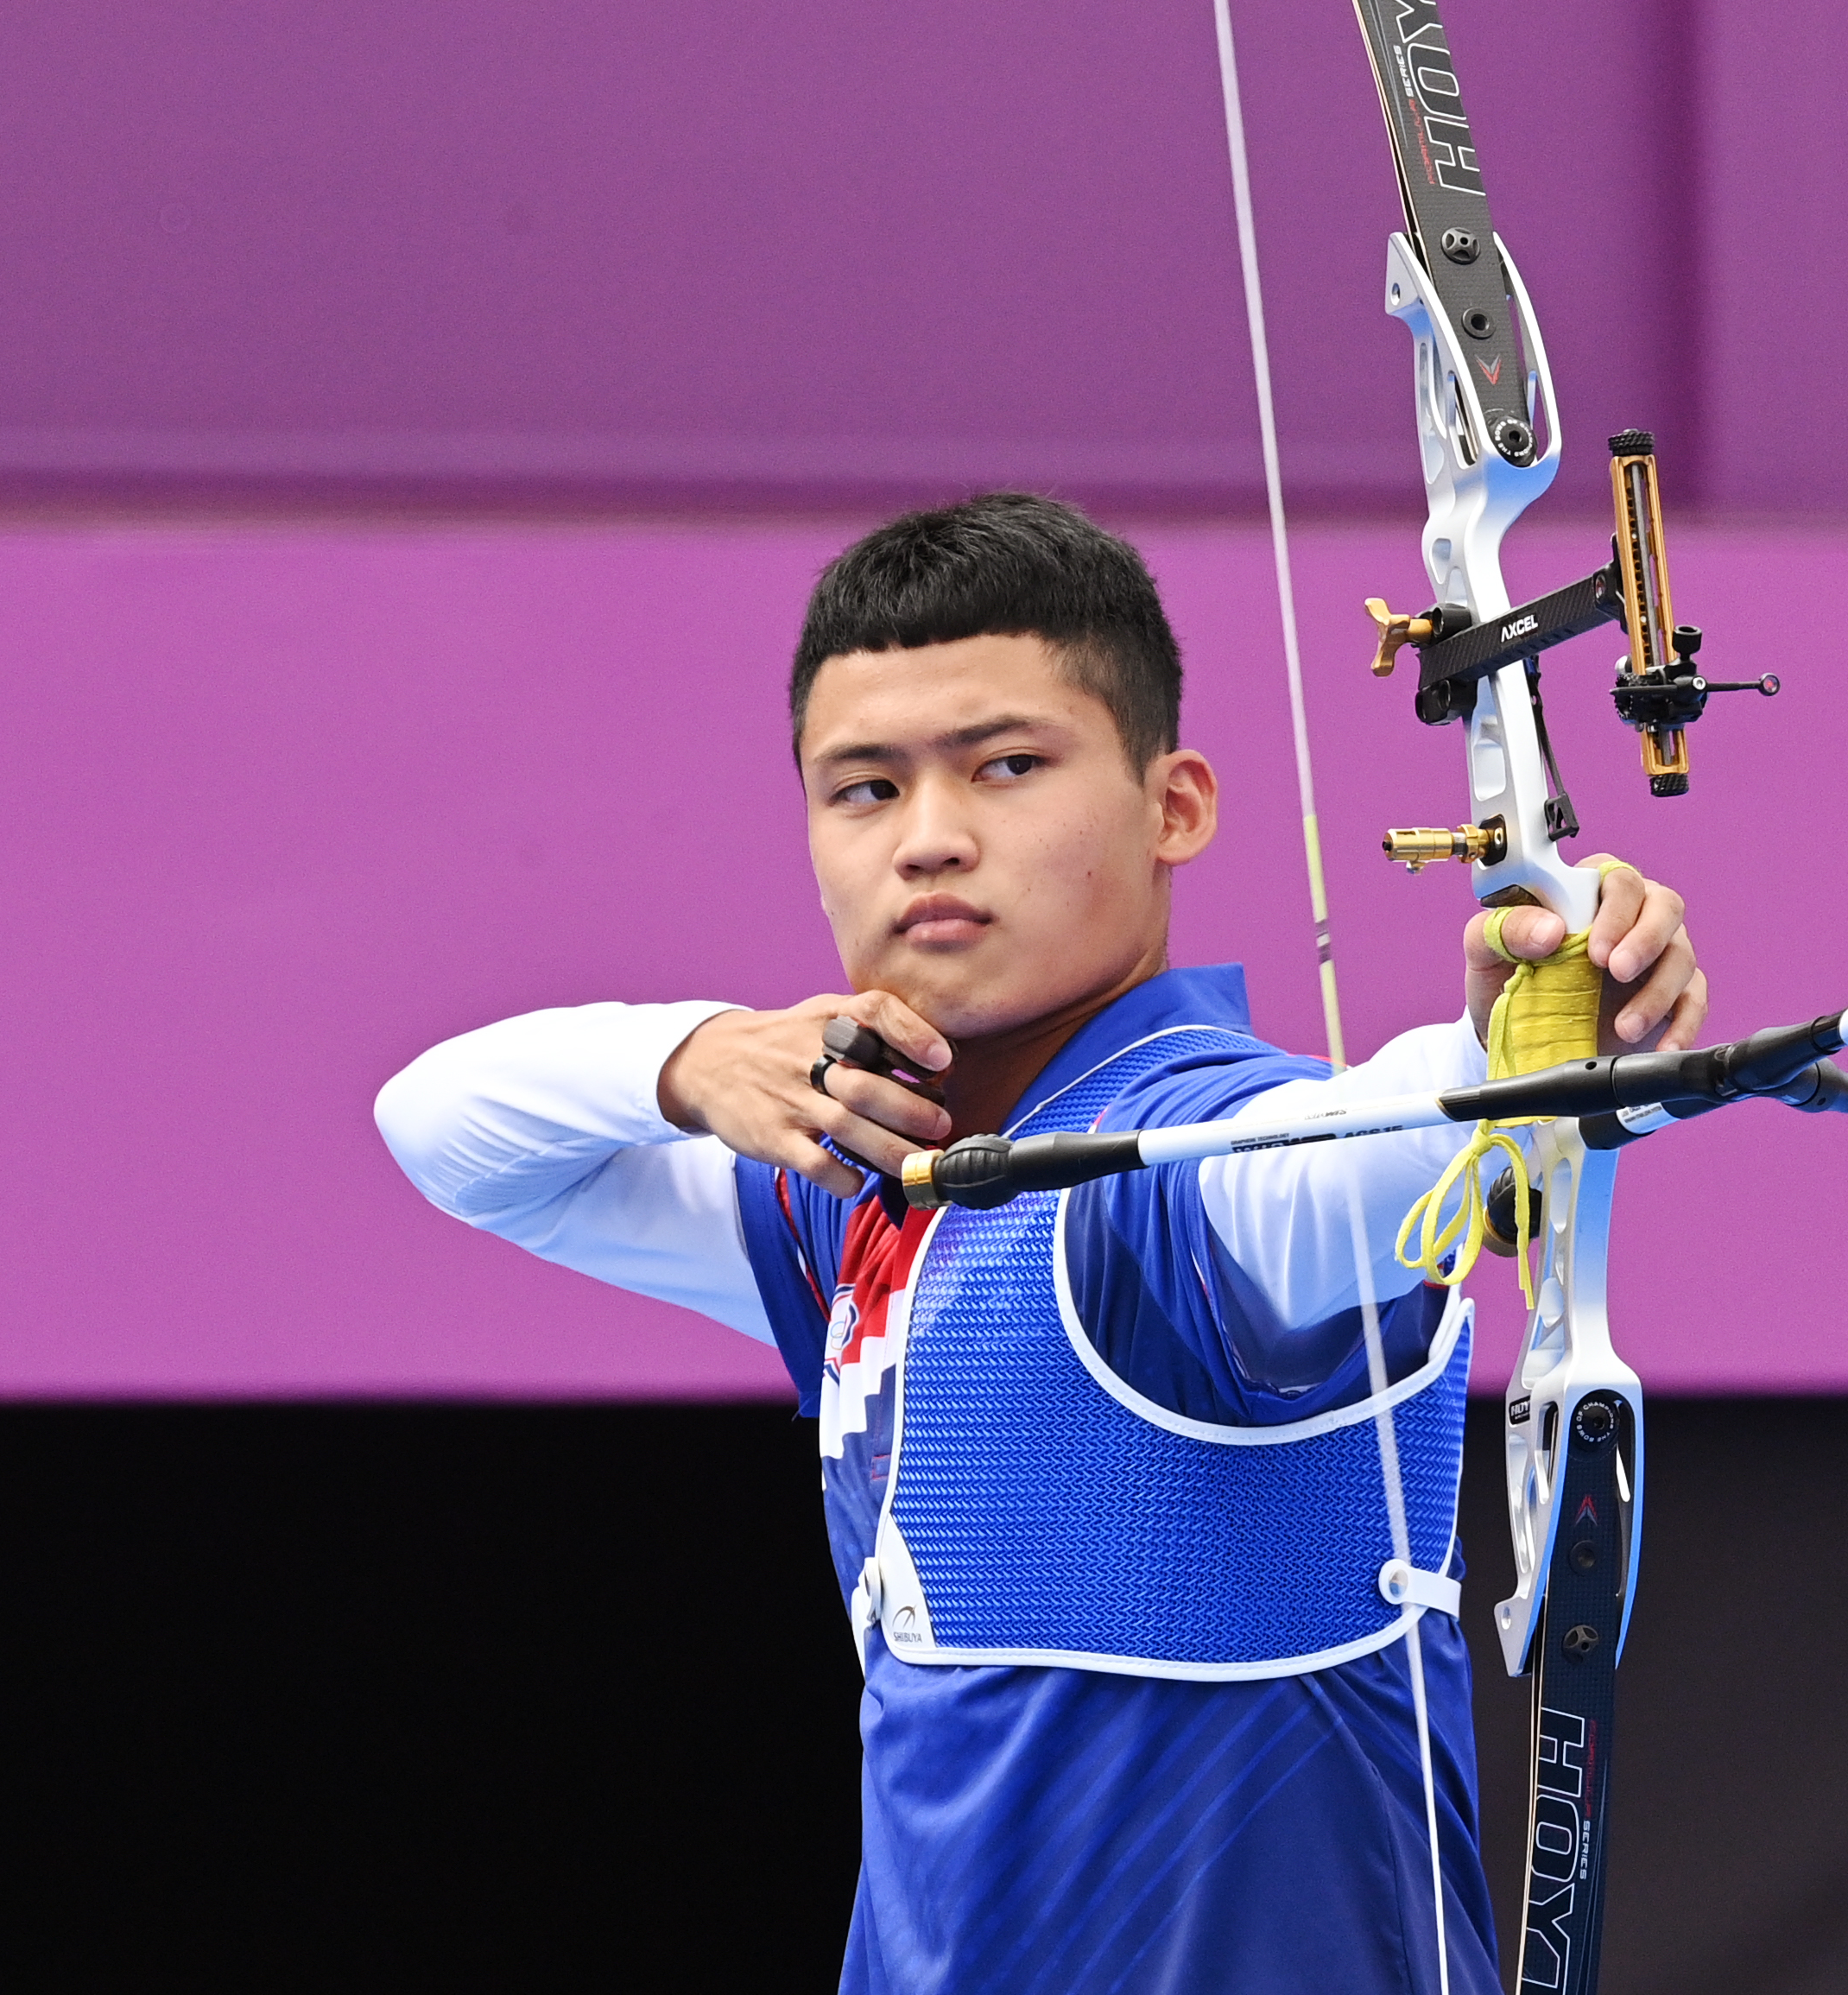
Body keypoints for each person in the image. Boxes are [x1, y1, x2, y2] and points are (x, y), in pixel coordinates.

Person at [374, 495, 1706, 1995]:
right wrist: (692, 1056)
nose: (931, 839)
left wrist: (1524, 1028)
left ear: (1174, 805)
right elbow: (445, 1131)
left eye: (1008, 767)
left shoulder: (1197, 1171)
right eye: (863, 789)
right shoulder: (853, 1181)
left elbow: (1369, 1145)